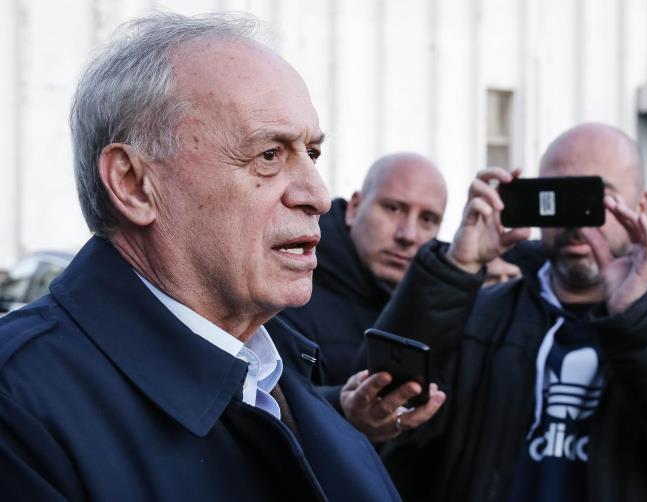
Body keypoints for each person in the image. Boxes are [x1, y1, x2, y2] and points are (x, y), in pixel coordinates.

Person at [0, 13, 401, 501]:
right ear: (133, 184)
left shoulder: (276, 372)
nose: (317, 196)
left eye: (311, 154)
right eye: (269, 155)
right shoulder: (20, 406)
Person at [374, 123, 647, 501]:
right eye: (559, 196)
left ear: (641, 205)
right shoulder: (484, 315)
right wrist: (455, 270)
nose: (577, 221)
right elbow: (385, 408)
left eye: (596, 199)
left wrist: (642, 320)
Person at [277, 152, 448, 442]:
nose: (408, 235)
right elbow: (266, 401)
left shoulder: (437, 301)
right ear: (355, 207)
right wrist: (342, 407)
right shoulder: (289, 287)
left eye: (427, 219)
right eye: (393, 208)